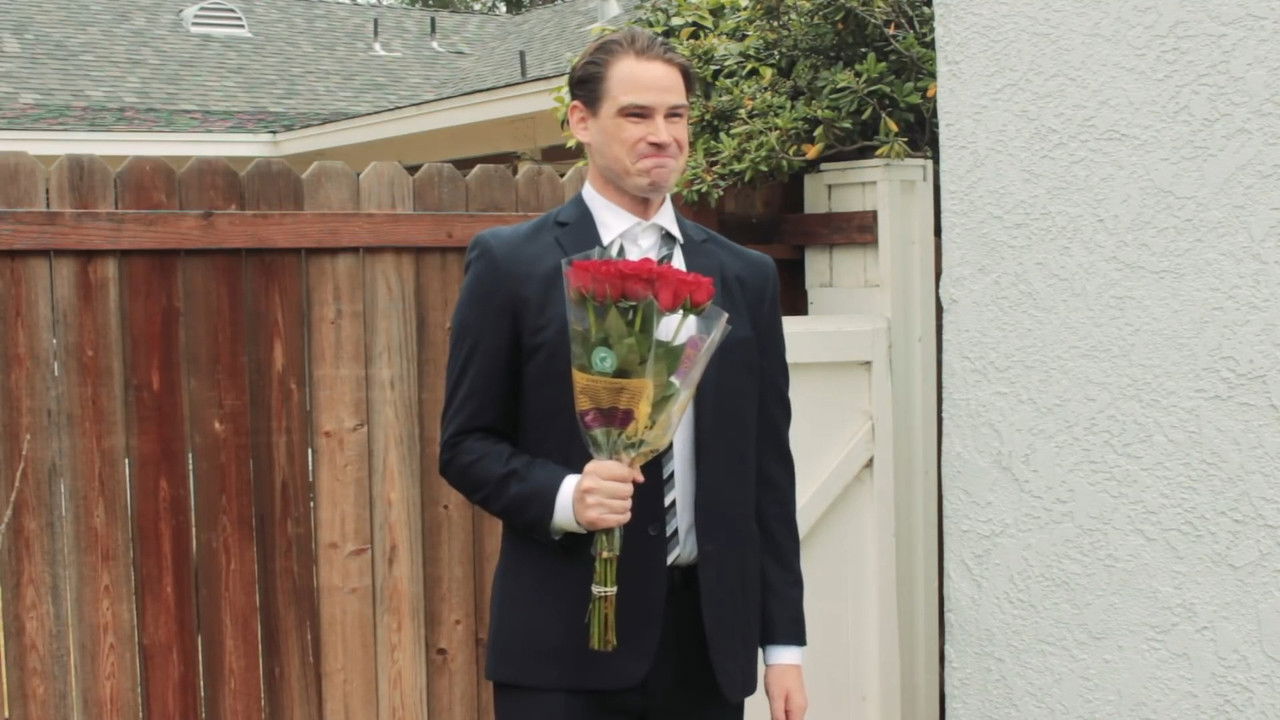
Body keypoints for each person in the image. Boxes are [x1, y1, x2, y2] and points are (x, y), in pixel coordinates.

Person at [439, 26, 807, 720]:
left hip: (708, 648)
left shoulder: (742, 276)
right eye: (636, 114)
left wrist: (783, 646)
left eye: (676, 115)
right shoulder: (511, 265)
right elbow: (466, 445)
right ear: (582, 121)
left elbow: (766, 472)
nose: (662, 134)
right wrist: (565, 496)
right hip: (561, 651)